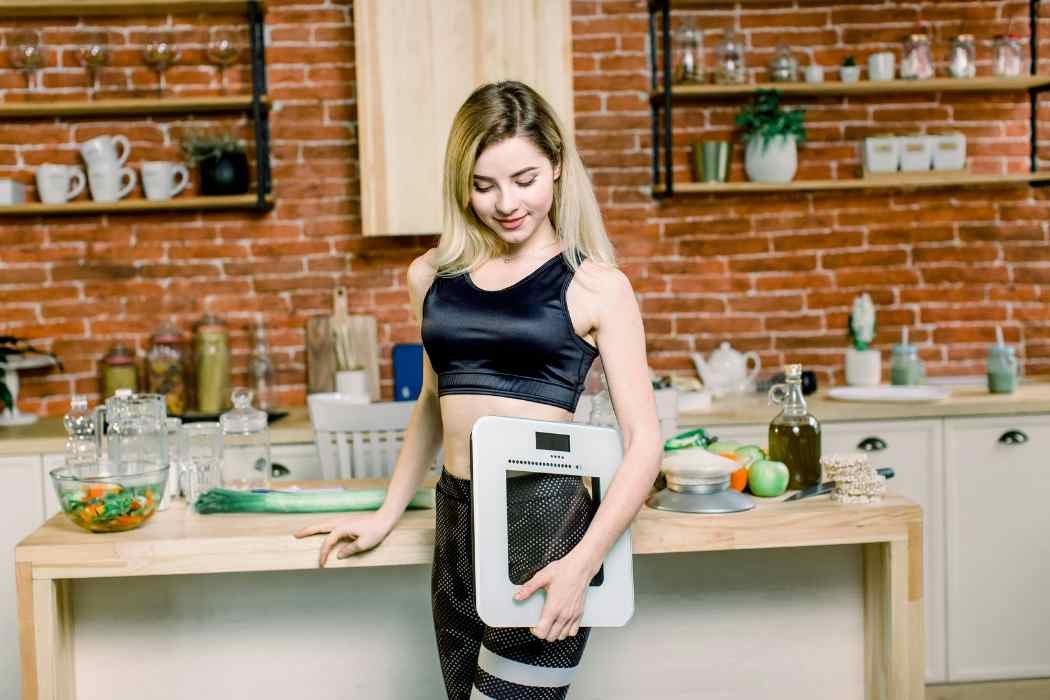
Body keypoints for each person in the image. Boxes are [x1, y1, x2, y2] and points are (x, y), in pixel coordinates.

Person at [295, 80, 662, 700]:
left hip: (544, 525)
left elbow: (645, 442)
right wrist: (385, 515)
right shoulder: (432, 276)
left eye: (524, 179)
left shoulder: (598, 285)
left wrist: (582, 564)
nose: (506, 202)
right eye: (483, 185)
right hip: (455, 523)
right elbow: (430, 407)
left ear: (557, 168)